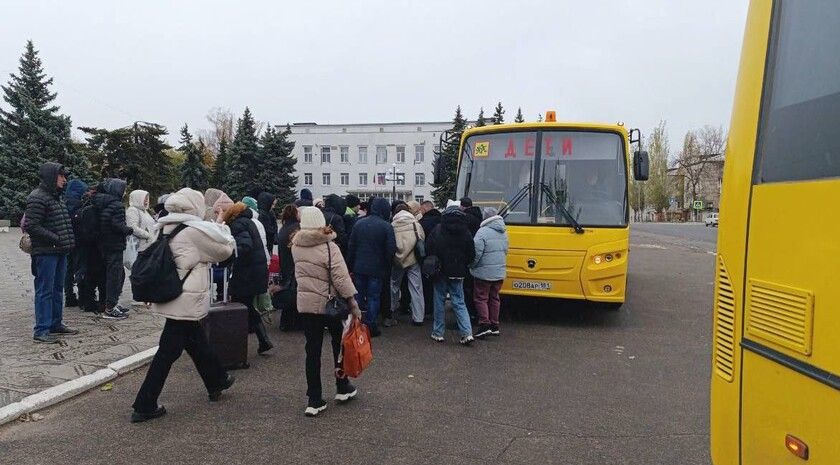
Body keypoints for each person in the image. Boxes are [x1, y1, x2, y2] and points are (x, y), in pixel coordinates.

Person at [131, 188, 237, 423]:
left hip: (173, 294)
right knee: (167, 352)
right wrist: (222, 225)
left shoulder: (164, 226)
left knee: (196, 342)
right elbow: (224, 252)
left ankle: (217, 380)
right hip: (185, 299)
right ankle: (144, 404)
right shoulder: (193, 231)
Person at [291, 207, 361, 417]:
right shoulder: (330, 248)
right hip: (330, 304)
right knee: (339, 345)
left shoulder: (296, 246)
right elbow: (341, 279)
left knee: (312, 350)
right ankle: (342, 385)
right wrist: (353, 302)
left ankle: (314, 398)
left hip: (306, 304)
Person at [25, 162, 79, 343]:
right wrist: (56, 238)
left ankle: (56, 323)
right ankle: (41, 330)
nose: (64, 180)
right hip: (46, 252)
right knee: (45, 291)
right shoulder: (38, 197)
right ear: (51, 176)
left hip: (60, 251)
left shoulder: (55, 197)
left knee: (57, 289)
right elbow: (32, 225)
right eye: (61, 176)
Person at [223, 202, 273, 354]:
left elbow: (245, 246)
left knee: (242, 305)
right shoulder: (249, 222)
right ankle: (262, 339)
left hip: (246, 272)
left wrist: (228, 254)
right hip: (255, 271)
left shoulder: (238, 225)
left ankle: (242, 342)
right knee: (247, 304)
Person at [426, 205, 476, 345]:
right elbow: (471, 253)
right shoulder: (465, 231)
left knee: (439, 301)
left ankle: (438, 332)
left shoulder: (438, 229)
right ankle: (467, 333)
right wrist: (464, 264)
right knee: (459, 302)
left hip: (440, 271)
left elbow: (429, 247)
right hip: (458, 272)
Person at [347, 197, 396, 337]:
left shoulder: (359, 224)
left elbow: (352, 246)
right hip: (377, 268)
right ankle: (371, 325)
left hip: (359, 267)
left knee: (358, 296)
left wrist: (350, 265)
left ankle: (356, 324)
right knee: (374, 297)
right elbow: (391, 250)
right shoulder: (387, 226)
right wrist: (387, 267)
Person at [94, 178, 134, 319]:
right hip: (115, 245)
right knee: (114, 276)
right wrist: (128, 230)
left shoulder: (102, 202)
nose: (125, 192)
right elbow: (116, 224)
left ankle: (111, 304)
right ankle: (110, 308)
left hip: (103, 244)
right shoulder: (116, 205)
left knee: (110, 274)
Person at [470, 208, 509, 339]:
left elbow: (476, 253)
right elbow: (505, 250)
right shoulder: (503, 232)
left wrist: (472, 266)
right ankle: (495, 325)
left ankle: (484, 325)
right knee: (494, 298)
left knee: (481, 298)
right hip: (499, 271)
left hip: (483, 272)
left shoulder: (482, 232)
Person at [390, 204, 425, 326]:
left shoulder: (392, 225)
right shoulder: (416, 224)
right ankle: (418, 317)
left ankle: (392, 310)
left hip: (397, 261)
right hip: (413, 259)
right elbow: (421, 238)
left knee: (394, 286)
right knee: (416, 288)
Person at [276, 204, 301, 331]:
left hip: (285, 263)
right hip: (294, 264)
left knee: (288, 292)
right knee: (294, 294)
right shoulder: (296, 228)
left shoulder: (283, 228)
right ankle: (290, 322)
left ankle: (285, 322)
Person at [64, 179, 88, 307]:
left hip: (66, 242)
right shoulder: (81, 206)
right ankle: (83, 297)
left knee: (67, 270)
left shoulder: (63, 204)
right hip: (80, 242)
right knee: (81, 268)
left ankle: (69, 296)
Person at [418, 201, 441, 317]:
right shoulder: (442, 220)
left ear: (426, 209)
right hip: (441, 258)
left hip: (427, 259)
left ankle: (428, 309)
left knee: (426, 285)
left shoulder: (422, 223)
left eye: (421, 210)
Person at [242, 196, 270, 261]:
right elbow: (262, 244)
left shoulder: (236, 220)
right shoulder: (257, 223)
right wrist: (267, 260)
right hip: (257, 260)